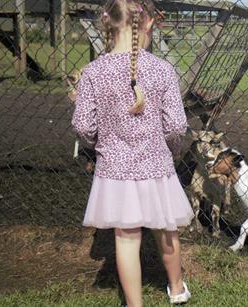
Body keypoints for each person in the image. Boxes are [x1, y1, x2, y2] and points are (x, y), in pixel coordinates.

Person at [71, 0, 194, 305]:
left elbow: (83, 125)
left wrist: (98, 144)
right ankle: (177, 289)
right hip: (157, 166)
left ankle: (134, 303)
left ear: (107, 23)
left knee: (126, 238)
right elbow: (176, 126)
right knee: (167, 230)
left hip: (115, 170)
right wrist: (174, 151)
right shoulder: (164, 70)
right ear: (149, 24)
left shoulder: (93, 72)